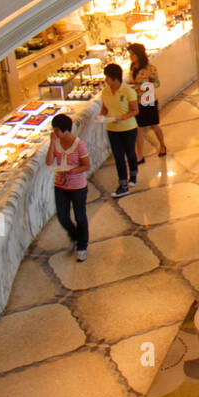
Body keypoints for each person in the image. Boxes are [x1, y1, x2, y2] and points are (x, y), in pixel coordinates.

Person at [45, 112, 90, 262]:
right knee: (62, 216)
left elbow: (86, 166)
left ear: (65, 130)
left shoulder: (79, 145)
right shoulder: (56, 142)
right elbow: (49, 161)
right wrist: (51, 143)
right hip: (61, 185)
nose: (54, 133)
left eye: (57, 130)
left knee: (80, 216)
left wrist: (72, 170)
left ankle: (82, 245)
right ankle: (74, 236)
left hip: (77, 186)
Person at [100, 62, 140, 198]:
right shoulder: (105, 92)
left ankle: (133, 173)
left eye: (107, 77)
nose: (105, 80)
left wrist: (121, 117)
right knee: (118, 157)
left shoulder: (128, 91)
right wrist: (101, 116)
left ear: (115, 78)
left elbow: (135, 110)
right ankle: (123, 185)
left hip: (128, 128)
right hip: (112, 129)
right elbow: (105, 108)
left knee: (130, 153)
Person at [128, 43, 166, 164]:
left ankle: (162, 145)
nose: (131, 56)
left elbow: (157, 84)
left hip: (148, 100)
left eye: (133, 54)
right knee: (138, 128)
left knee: (154, 125)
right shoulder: (133, 67)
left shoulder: (150, 68)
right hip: (136, 101)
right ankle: (140, 155)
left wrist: (141, 86)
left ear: (139, 54)